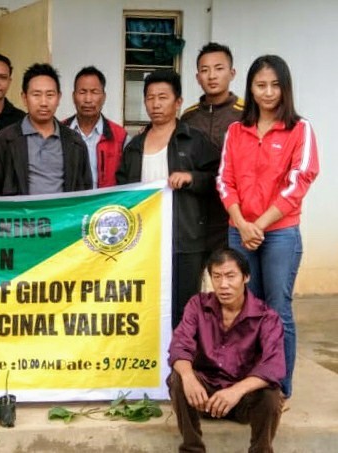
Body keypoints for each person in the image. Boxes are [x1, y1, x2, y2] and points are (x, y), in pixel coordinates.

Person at [217, 55, 319, 399]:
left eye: (275, 85)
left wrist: (257, 226)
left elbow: (299, 181)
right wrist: (242, 223)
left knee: (277, 311)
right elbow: (224, 180)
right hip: (240, 230)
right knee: (246, 311)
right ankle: (250, 384)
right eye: (260, 85)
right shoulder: (236, 131)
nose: (268, 92)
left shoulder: (300, 129)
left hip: (279, 234)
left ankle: (279, 391)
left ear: (286, 88)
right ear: (250, 88)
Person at [115, 69, 219, 329]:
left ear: (178, 102)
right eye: (150, 98)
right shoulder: (135, 146)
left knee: (184, 310)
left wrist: (191, 178)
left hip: (184, 241)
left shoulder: (193, 141)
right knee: (148, 307)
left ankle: (182, 366)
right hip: (144, 242)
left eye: (163, 97)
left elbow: (218, 180)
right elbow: (121, 190)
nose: (156, 104)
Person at [168, 248, 285, 453]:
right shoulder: (197, 305)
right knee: (178, 377)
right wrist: (189, 378)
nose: (223, 285)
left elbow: (273, 366)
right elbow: (179, 346)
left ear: (245, 277)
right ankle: (192, 448)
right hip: (204, 398)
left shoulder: (266, 317)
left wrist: (235, 391)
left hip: (243, 400)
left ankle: (261, 450)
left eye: (231, 276)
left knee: (271, 395)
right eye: (217, 276)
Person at [0, 63, 92, 196]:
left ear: (59, 98)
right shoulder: (4, 141)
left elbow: (85, 193)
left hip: (62, 216)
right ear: (24, 98)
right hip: (20, 216)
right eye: (36, 95)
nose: (44, 102)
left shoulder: (75, 142)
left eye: (50, 95)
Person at [181, 43, 243, 254]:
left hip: (232, 215)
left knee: (229, 278)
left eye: (219, 68)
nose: (212, 76)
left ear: (232, 73)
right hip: (194, 214)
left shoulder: (246, 116)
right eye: (205, 70)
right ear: (198, 77)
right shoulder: (188, 118)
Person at [63, 66, 130, 188]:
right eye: (82, 92)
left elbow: (129, 180)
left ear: (104, 97)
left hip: (105, 205)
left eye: (94, 92)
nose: (88, 99)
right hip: (70, 206)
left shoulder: (120, 137)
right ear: (73, 96)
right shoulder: (59, 131)